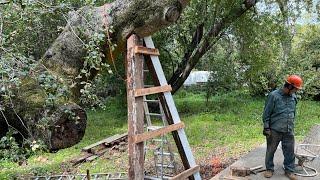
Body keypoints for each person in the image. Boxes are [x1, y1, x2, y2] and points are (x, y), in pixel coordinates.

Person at [262, 75, 303, 180]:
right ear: (289, 86)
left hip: (289, 129)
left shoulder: (293, 97)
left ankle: (289, 170)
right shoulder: (273, 96)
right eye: (295, 89)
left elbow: (293, 112)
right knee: (271, 150)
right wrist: (266, 127)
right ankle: (269, 169)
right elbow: (266, 112)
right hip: (274, 129)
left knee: (289, 151)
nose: (296, 91)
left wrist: (291, 124)